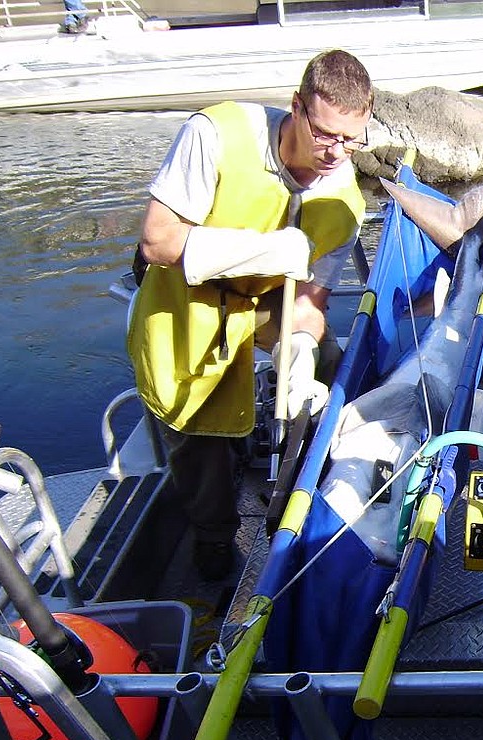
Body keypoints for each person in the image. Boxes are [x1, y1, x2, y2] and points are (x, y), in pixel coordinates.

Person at [127, 50, 371, 583]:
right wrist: (269, 252)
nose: (337, 153)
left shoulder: (345, 200)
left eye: (353, 140)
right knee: (201, 439)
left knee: (327, 360)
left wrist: (300, 353)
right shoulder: (217, 136)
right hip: (184, 307)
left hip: (262, 307)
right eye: (327, 134)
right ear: (296, 109)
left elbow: (310, 297)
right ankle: (214, 541)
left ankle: (306, 489)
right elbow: (158, 242)